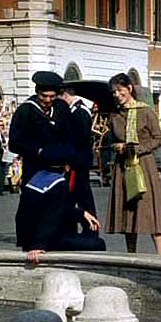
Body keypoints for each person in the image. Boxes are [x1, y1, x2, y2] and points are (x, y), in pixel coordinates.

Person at [9, 71, 105, 264]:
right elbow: (14, 143)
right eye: (44, 97)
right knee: (42, 205)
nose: (48, 101)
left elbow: (70, 136)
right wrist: (38, 151)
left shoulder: (61, 108)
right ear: (37, 92)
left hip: (61, 169)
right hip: (36, 169)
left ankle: (60, 237)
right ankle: (40, 240)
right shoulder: (25, 112)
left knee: (61, 204)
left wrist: (67, 157)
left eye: (52, 97)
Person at [106, 73, 161, 255]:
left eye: (120, 90)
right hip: (123, 167)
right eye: (114, 92)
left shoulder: (146, 112)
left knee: (151, 212)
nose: (117, 95)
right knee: (129, 213)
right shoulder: (115, 116)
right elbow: (109, 140)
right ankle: (131, 256)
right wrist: (116, 146)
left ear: (129, 89)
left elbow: (158, 139)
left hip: (144, 166)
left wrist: (136, 148)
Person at [58, 86, 98, 235]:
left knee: (82, 197)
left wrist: (70, 160)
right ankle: (74, 228)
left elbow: (80, 140)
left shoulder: (79, 112)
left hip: (78, 163)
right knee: (76, 196)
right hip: (78, 161)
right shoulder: (77, 111)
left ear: (66, 95)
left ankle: (91, 229)